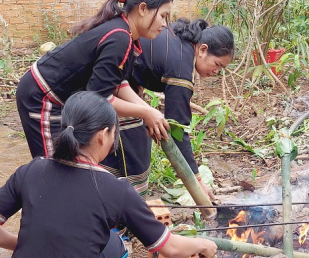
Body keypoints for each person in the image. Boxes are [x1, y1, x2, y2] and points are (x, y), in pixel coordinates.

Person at [0, 91, 217, 258]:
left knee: (108, 240)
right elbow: (170, 247)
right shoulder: (116, 190)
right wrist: (203, 245)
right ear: (103, 134)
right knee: (115, 244)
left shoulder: (31, 170)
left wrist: (23, 245)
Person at [16, 0, 171, 159]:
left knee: (69, 162)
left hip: (61, 97)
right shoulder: (120, 37)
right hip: (42, 96)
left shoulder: (125, 33)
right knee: (54, 167)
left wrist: (148, 110)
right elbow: (100, 98)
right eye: (163, 16)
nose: (165, 24)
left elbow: (117, 83)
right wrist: (145, 112)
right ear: (143, 9)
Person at [100, 18, 234, 197]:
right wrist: (197, 181)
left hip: (121, 81)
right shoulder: (181, 68)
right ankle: (123, 203)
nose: (216, 72)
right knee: (133, 147)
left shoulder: (181, 43)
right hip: (107, 81)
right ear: (202, 50)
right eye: (217, 64)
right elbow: (177, 130)